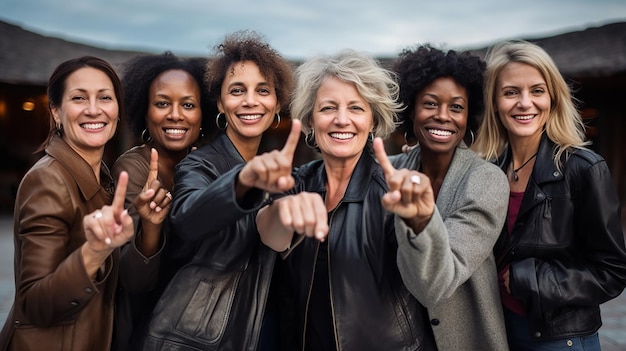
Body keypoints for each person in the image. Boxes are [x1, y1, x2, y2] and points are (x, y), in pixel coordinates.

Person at [256, 49, 441, 350]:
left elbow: (428, 284)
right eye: (328, 108)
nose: (342, 120)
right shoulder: (296, 181)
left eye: (356, 108)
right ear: (311, 120)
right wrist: (282, 213)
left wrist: (419, 223)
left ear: (372, 121)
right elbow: (271, 237)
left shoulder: (394, 190)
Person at [140, 30, 296, 351]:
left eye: (262, 90)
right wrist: (242, 182)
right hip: (200, 338)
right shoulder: (198, 165)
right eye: (237, 90)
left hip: (265, 330)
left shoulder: (283, 173)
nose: (250, 100)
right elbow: (187, 219)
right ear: (221, 104)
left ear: (277, 102)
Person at [472, 39, 626, 350]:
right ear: (495, 101)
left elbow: (612, 270)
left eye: (537, 90)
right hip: (499, 333)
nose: (525, 102)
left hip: (560, 338)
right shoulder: (487, 170)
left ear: (553, 98)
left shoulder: (583, 168)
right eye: (511, 92)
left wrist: (533, 280)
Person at [376, 45, 510, 350]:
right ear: (412, 109)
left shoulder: (486, 181)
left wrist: (421, 221)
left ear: (469, 115)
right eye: (430, 104)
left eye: (457, 107)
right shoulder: (394, 169)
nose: (443, 116)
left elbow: (434, 286)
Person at [0, 56, 135, 351]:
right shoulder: (48, 181)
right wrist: (94, 252)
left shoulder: (102, 177)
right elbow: (34, 303)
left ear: (117, 110)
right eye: (78, 98)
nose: (93, 109)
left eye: (105, 97)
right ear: (57, 112)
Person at [111, 52, 215, 351]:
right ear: (145, 112)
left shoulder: (208, 165)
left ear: (202, 113)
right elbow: (135, 280)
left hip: (197, 326)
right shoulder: (132, 170)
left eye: (188, 104)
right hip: (148, 326)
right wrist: (151, 226)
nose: (175, 114)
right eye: (162, 103)